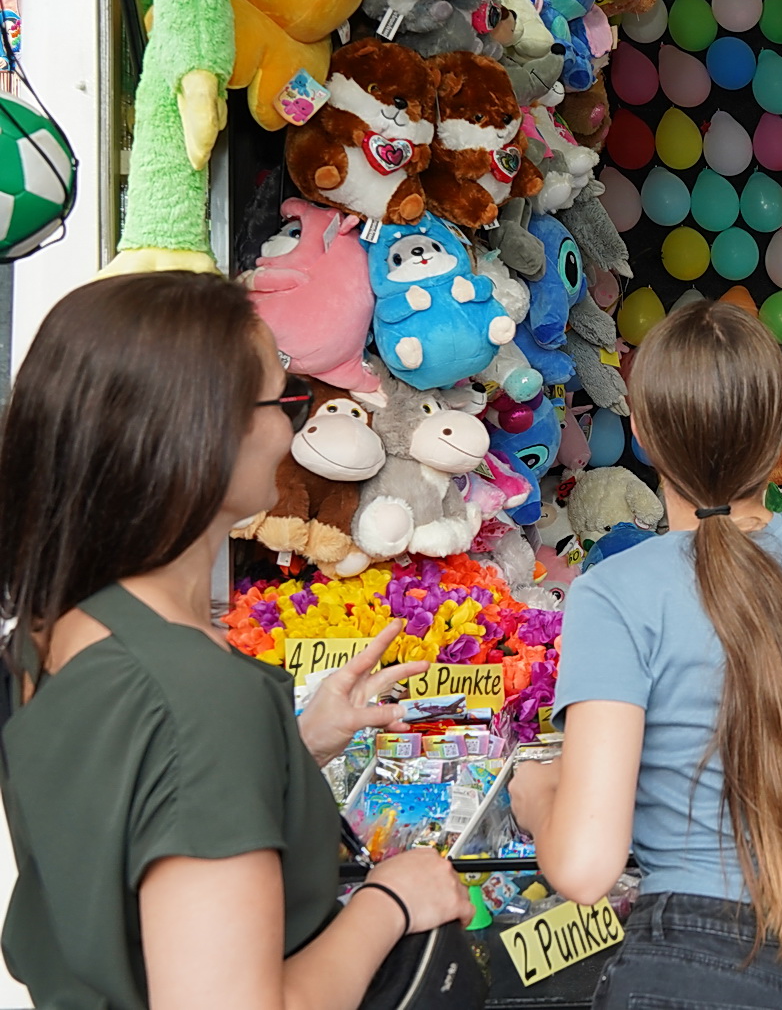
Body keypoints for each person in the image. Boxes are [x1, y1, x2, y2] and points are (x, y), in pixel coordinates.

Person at [0, 272, 474, 1010]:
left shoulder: (52, 636)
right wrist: (393, 901)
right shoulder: (199, 694)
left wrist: (295, 746)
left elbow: (130, 813)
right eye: (283, 400)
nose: (292, 430)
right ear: (204, 430)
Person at [510, 299, 782, 1009]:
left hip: (694, 961)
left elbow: (583, 866)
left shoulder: (614, 592)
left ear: (642, 434)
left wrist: (541, 801)